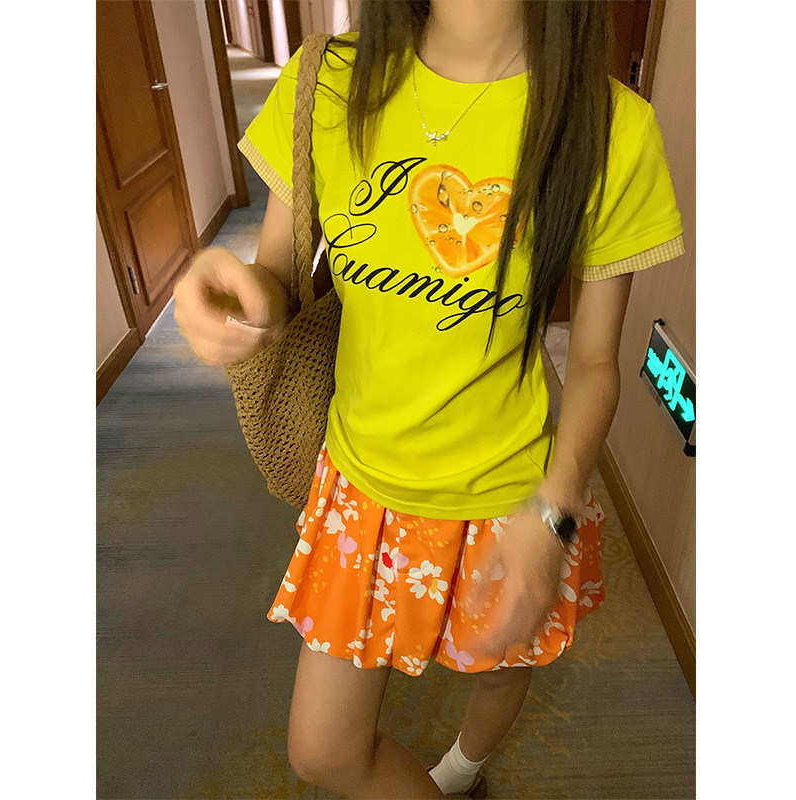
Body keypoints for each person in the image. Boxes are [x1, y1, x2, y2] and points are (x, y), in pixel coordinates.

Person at [173, 1, 685, 797]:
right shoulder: (326, 83)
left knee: (501, 667)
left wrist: (552, 514)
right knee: (323, 752)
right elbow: (278, 281)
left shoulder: (611, 128)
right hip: (362, 486)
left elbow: (592, 364)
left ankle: (465, 767)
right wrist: (238, 298)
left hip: (509, 499)